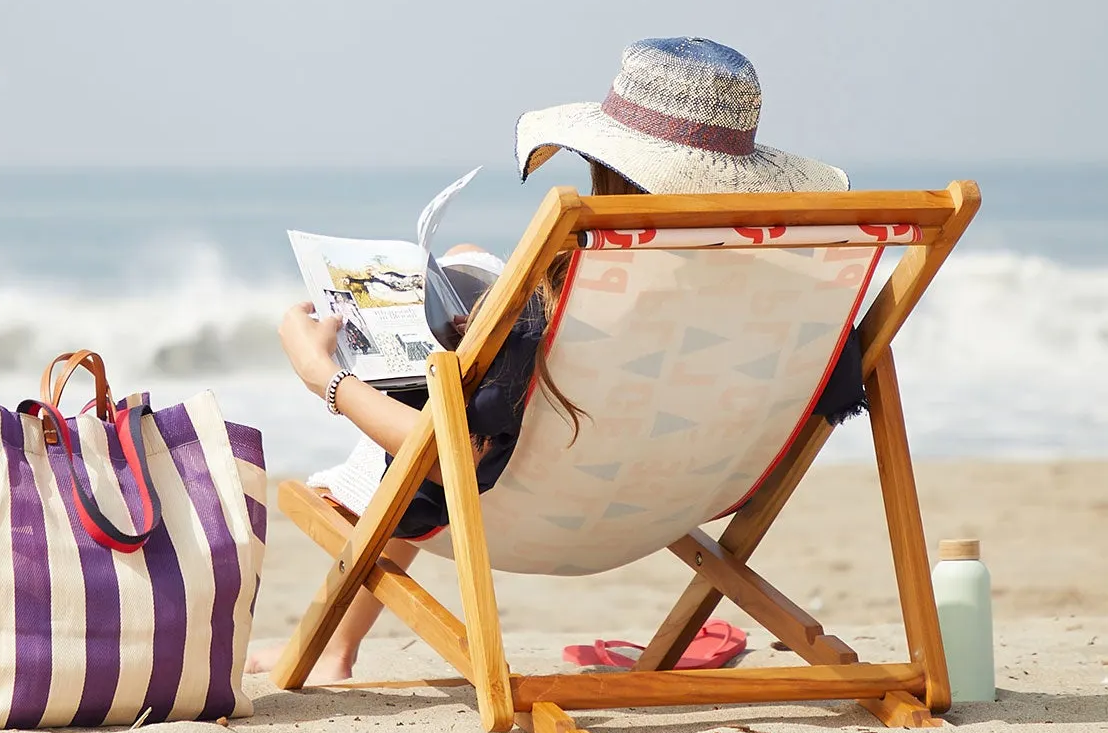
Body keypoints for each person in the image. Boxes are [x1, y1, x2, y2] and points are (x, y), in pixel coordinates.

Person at [247, 36, 851, 683]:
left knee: (409, 443)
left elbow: (449, 456)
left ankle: (332, 647)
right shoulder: (783, 295)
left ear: (605, 164)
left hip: (540, 510)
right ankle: (335, 648)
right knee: (462, 345)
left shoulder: (574, 305)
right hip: (673, 495)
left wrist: (326, 378)